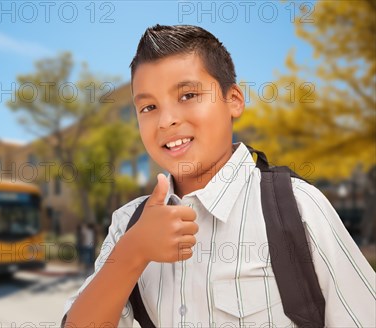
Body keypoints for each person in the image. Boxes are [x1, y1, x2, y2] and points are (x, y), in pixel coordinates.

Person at [63, 25, 376, 327]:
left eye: (187, 96)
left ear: (234, 100)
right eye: (148, 107)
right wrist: (133, 253)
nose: (166, 120)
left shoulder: (297, 208)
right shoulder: (129, 224)